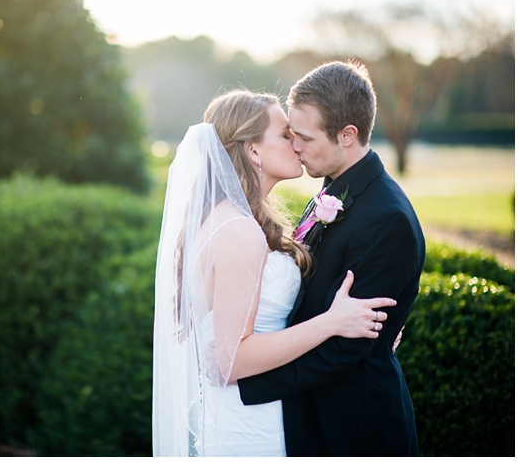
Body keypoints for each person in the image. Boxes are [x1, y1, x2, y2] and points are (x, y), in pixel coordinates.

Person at [152, 89, 397, 456]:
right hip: (252, 426)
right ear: (253, 149)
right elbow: (230, 362)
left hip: (257, 411)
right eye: (285, 135)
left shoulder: (235, 219)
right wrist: (332, 323)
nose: (297, 144)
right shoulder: (238, 230)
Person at [237, 61, 425, 456]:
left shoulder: (386, 218)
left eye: (304, 137)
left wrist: (248, 379)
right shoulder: (332, 190)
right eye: (289, 135)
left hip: (354, 427)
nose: (294, 146)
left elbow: (347, 346)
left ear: (347, 135)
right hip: (311, 411)